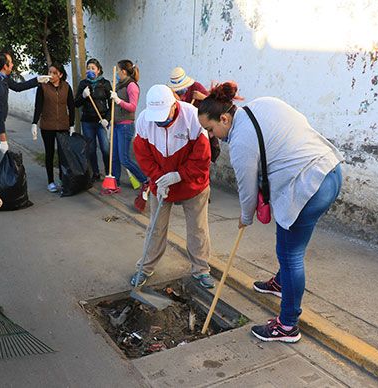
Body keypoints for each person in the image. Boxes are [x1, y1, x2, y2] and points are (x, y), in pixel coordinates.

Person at [197, 81, 343, 343]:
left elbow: (247, 190)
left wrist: (245, 217)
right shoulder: (263, 103)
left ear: (224, 118)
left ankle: (287, 326)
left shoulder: (240, 141)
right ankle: (281, 282)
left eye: (211, 128)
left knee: (290, 254)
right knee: (290, 245)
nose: (212, 135)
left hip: (308, 187)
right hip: (331, 171)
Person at [132, 84, 215, 289]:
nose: (160, 121)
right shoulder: (145, 120)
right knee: (155, 227)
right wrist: (159, 179)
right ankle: (145, 267)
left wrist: (179, 175)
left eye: (164, 115)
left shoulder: (192, 117)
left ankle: (201, 269)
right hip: (161, 184)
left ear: (174, 105)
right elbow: (143, 156)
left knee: (198, 228)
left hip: (193, 184)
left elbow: (202, 158)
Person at [0, 51, 50, 180]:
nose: (12, 65)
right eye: (10, 63)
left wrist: (37, 80)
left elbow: (17, 87)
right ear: (4, 66)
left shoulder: (0, 76)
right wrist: (3, 140)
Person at [110, 59, 149, 207]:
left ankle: (145, 179)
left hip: (126, 126)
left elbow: (132, 107)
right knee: (114, 157)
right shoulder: (119, 84)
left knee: (124, 159)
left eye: (119, 71)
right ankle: (115, 182)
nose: (118, 74)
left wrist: (118, 100)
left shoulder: (132, 86)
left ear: (124, 72)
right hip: (116, 124)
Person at [31, 62, 75, 192]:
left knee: (63, 154)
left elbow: (71, 107)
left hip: (63, 125)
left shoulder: (66, 87)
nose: (51, 75)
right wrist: (34, 122)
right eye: (49, 72)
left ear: (60, 74)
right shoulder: (43, 87)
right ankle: (50, 181)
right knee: (49, 153)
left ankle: (63, 179)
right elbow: (38, 106)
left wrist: (71, 124)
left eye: (54, 73)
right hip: (47, 125)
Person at [168, 67, 220, 164]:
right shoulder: (171, 93)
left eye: (181, 90)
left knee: (202, 159)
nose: (180, 93)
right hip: (184, 131)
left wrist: (203, 97)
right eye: (177, 91)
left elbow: (215, 104)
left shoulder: (196, 87)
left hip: (201, 128)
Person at [74, 58, 111, 182]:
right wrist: (83, 96)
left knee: (105, 148)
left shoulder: (105, 83)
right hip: (87, 121)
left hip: (101, 122)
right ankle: (95, 172)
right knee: (91, 149)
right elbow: (76, 103)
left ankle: (108, 173)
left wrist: (107, 119)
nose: (90, 70)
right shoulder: (83, 84)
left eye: (93, 68)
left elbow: (112, 105)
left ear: (98, 70)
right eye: (88, 68)